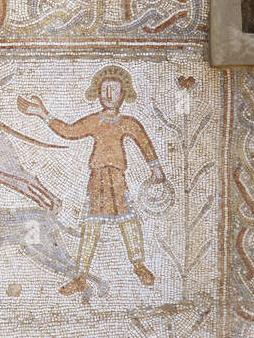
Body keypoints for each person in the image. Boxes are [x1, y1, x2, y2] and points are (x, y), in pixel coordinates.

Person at [19, 64, 166, 295]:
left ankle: (139, 265)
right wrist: (43, 113)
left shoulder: (128, 122)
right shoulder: (93, 121)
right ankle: (81, 277)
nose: (109, 95)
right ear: (98, 92)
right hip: (97, 179)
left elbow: (144, 142)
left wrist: (155, 169)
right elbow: (69, 131)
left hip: (118, 178)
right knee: (91, 226)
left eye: (114, 90)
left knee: (129, 221)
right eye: (104, 89)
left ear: (123, 94)